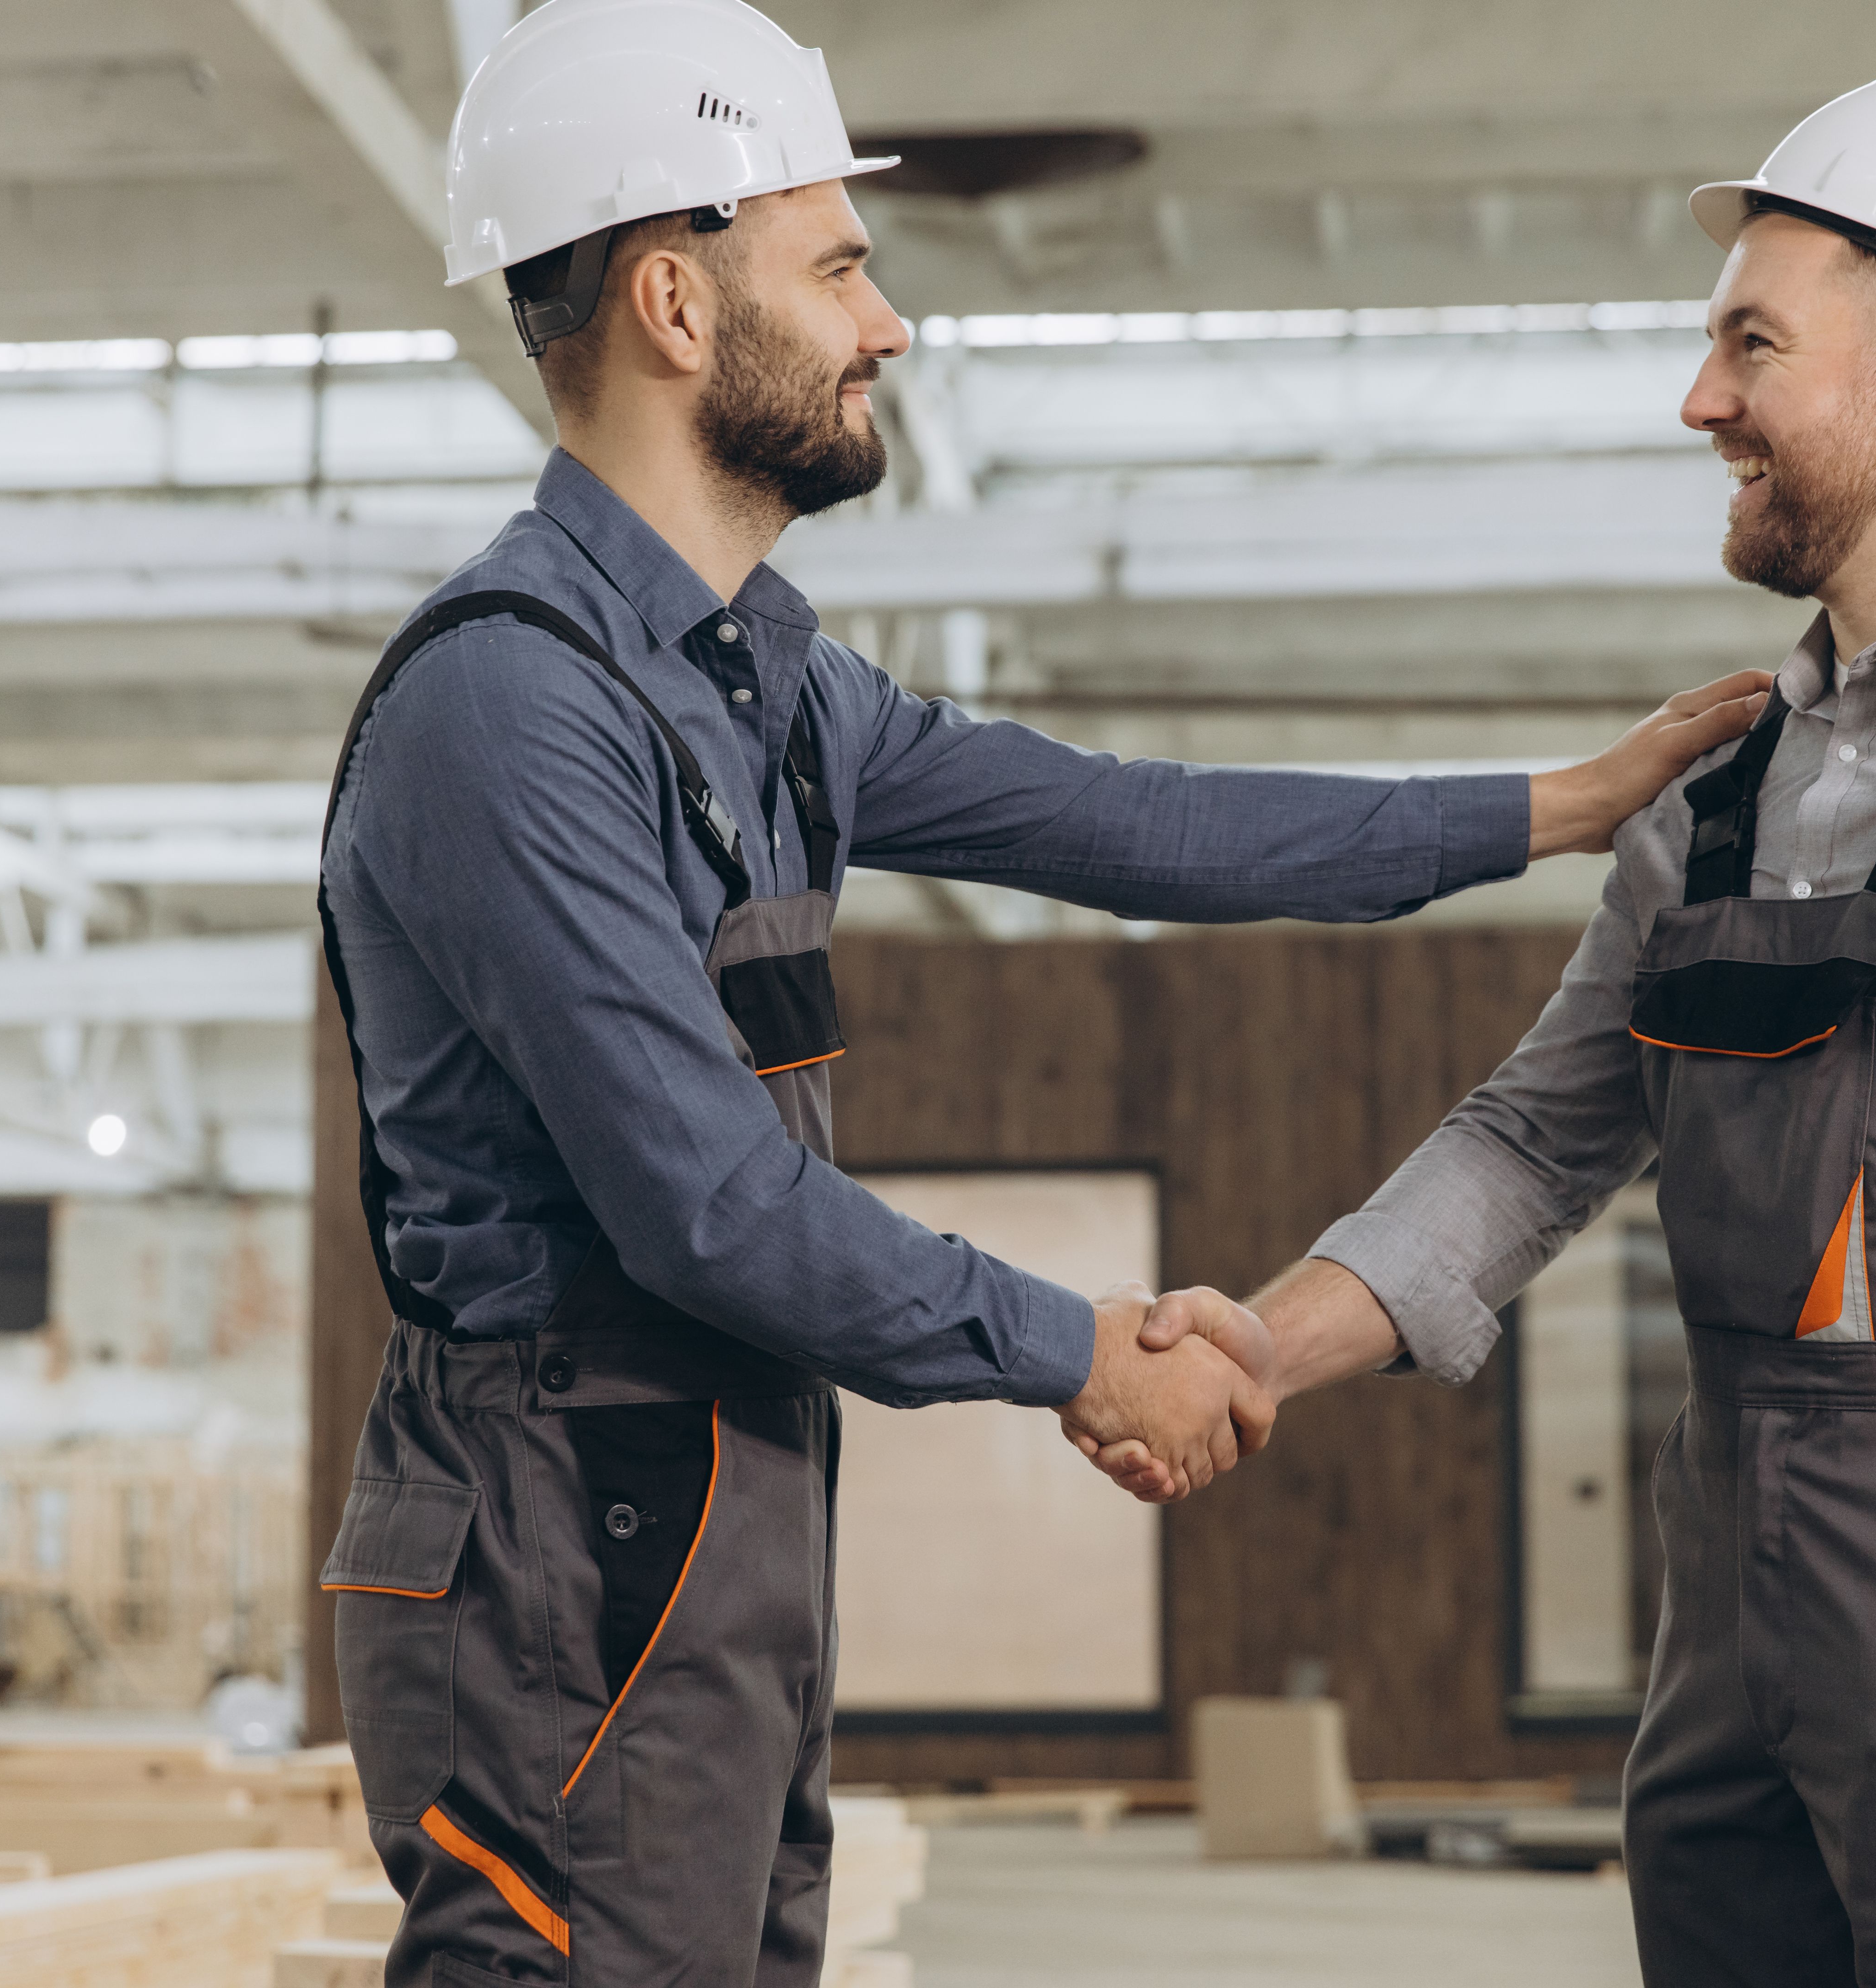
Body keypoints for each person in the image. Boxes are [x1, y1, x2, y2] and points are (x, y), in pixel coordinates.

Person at [314, 3, 1766, 1983]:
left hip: (711, 1484)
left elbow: (1122, 826)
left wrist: (1550, 812)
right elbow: (713, 1204)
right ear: (673, 301)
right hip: (557, 1515)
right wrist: (1087, 1350)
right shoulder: (511, 704)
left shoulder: (762, 681)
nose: (886, 322)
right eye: (837, 265)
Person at [1116, 69, 1876, 1988]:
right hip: (1734, 1642)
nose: (1703, 400)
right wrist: (1262, 1345)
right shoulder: (1723, 785)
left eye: (1751, 344)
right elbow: (1540, 1140)